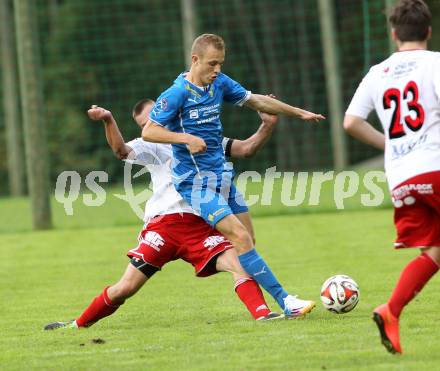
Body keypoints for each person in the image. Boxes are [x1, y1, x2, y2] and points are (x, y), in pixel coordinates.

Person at [44, 99, 290, 331]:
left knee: (240, 264)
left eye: (154, 118)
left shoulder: (201, 138)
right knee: (125, 288)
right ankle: (76, 325)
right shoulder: (150, 144)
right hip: (164, 227)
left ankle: (263, 314)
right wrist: (108, 119)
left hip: (199, 227)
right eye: (144, 125)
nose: (151, 126)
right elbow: (120, 150)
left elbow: (246, 148)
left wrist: (266, 124)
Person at [142, 34, 322, 316]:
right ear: (195, 60)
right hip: (195, 184)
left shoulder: (220, 84)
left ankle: (261, 307)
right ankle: (285, 301)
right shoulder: (176, 93)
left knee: (247, 239)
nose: (217, 70)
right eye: (212, 64)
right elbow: (149, 130)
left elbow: (257, 101)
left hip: (222, 177)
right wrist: (184, 138)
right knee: (239, 236)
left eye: (221, 64)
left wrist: (298, 112)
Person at [344, 0, 440, 354]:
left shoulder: (378, 72)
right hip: (435, 166)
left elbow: (351, 122)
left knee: (437, 249)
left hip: (402, 175)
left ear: (394, 33)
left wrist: (390, 144)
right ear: (428, 31)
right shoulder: (436, 64)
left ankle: (391, 310)